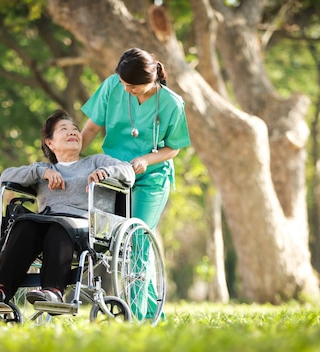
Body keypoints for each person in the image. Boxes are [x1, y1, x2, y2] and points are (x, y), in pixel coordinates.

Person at [80, 48, 191, 319]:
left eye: (132, 86)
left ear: (151, 79)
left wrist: (146, 159)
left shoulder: (171, 103)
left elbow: (173, 148)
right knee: (116, 241)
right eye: (123, 84)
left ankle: (138, 316)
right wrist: (69, 160)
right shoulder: (112, 86)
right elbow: (92, 127)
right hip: (114, 176)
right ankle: (154, 313)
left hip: (151, 178)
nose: (126, 89)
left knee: (138, 239)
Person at [0, 109, 135, 304]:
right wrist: (41, 172)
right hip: (46, 221)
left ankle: (53, 290)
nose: (72, 132)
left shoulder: (95, 162)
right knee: (25, 224)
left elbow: (128, 172)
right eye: (64, 129)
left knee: (58, 226)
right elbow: (5, 177)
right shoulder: (44, 170)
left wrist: (105, 172)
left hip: (84, 227)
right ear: (50, 142)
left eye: (75, 129)